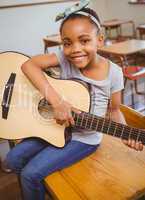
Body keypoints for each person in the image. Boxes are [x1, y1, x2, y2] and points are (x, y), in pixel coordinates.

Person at [6, 1, 143, 200]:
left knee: (30, 174)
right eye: (67, 43)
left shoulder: (113, 72)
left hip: (84, 138)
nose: (75, 49)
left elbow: (114, 110)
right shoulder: (64, 58)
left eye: (84, 40)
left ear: (100, 40)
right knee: (11, 160)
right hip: (55, 124)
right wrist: (57, 102)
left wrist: (125, 136)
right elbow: (29, 65)